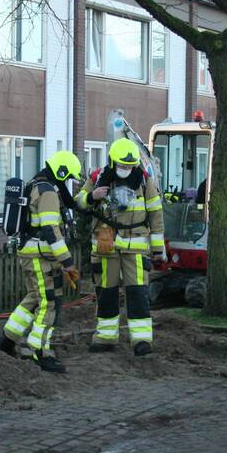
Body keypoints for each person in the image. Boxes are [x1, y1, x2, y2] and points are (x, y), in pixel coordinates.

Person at [75, 138, 164, 356]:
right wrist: (91, 196)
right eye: (123, 166)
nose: (127, 170)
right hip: (106, 246)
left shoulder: (143, 181)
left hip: (135, 246)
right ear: (113, 162)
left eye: (130, 166)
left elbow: (155, 214)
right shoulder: (98, 178)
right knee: (106, 293)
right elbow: (78, 202)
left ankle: (141, 341)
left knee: (137, 294)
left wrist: (158, 250)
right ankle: (105, 337)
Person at [0, 151, 82, 373]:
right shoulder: (48, 192)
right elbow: (50, 230)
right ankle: (39, 351)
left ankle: (6, 341)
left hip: (33, 254)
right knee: (49, 303)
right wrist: (68, 261)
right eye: (67, 177)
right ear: (61, 172)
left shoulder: (39, 184)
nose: (68, 182)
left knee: (34, 298)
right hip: (39, 256)